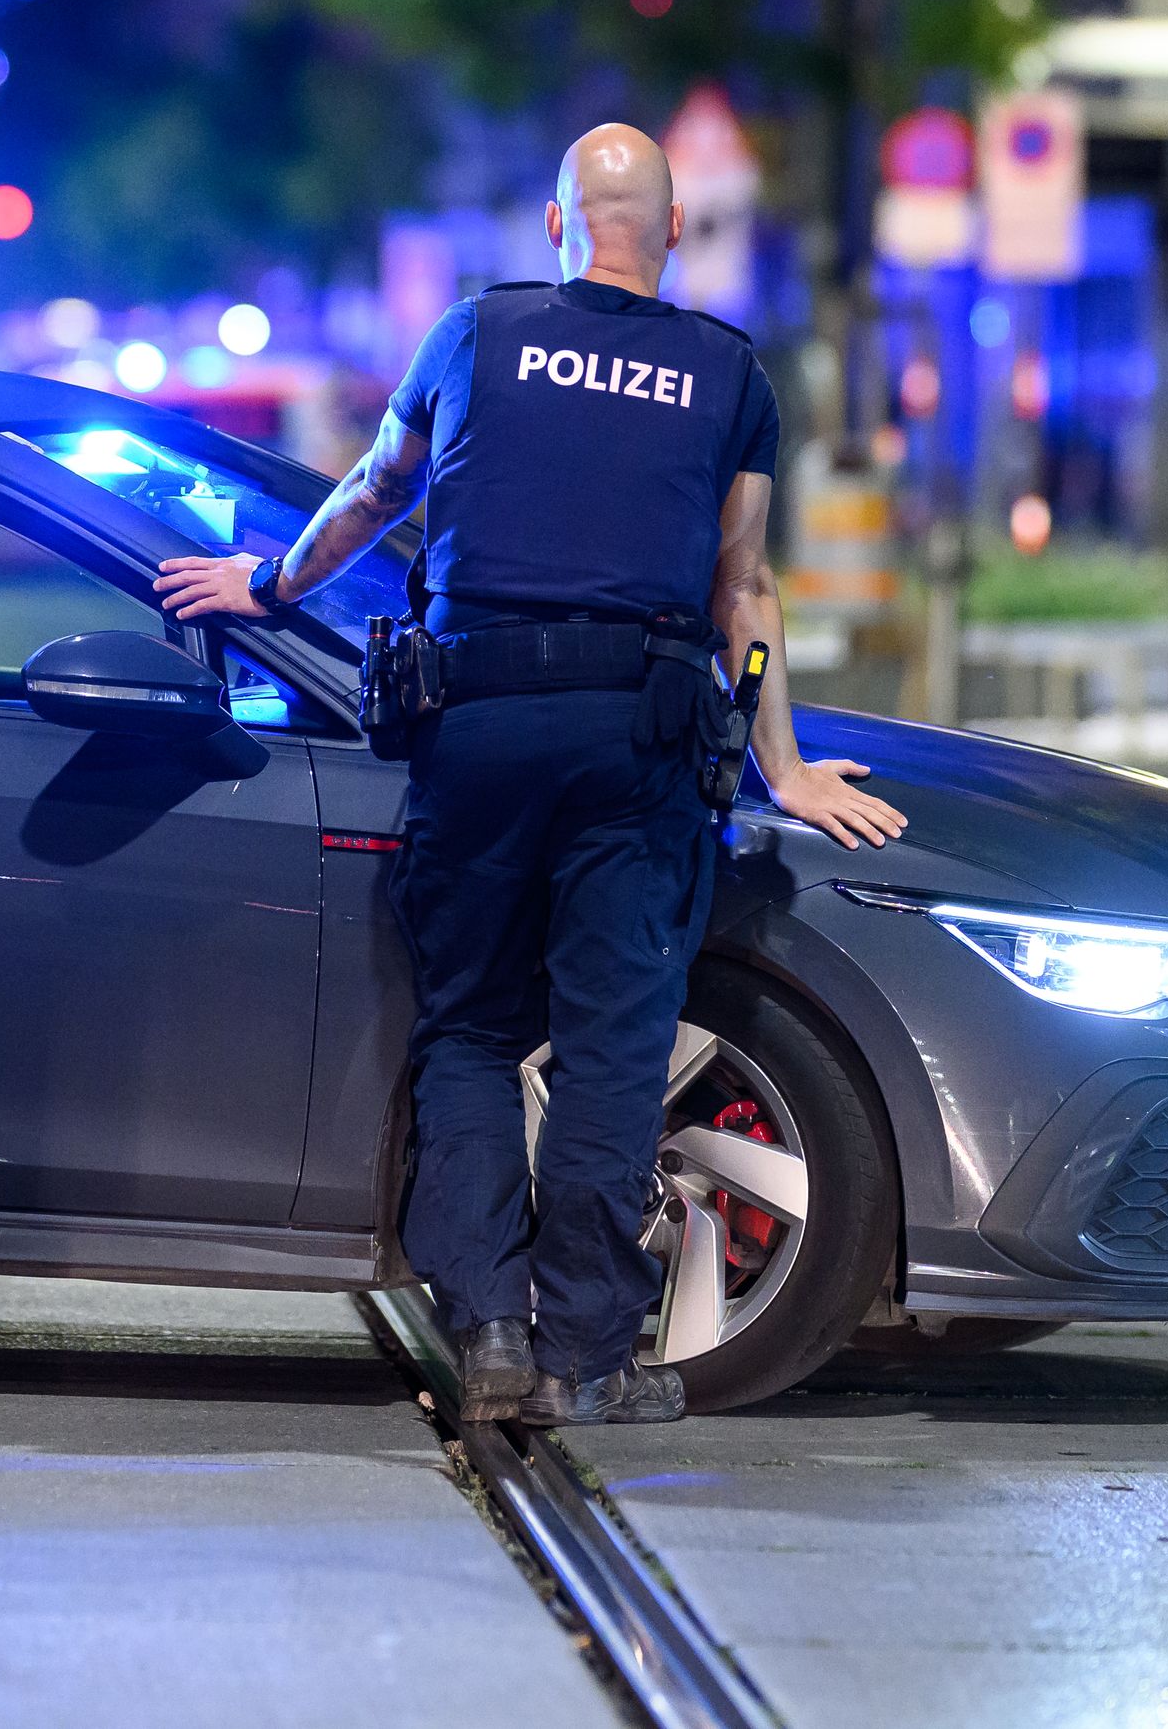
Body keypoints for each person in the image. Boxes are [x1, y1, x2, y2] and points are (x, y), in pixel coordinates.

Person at [155, 123, 902, 1426]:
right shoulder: (730, 377)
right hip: (638, 743)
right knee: (615, 1049)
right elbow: (747, 594)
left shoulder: (471, 338)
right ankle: (591, 1354)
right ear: (672, 233)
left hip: (480, 729)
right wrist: (780, 767)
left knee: (474, 1031)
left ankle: (491, 1335)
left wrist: (265, 585)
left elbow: (378, 493)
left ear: (558, 228)